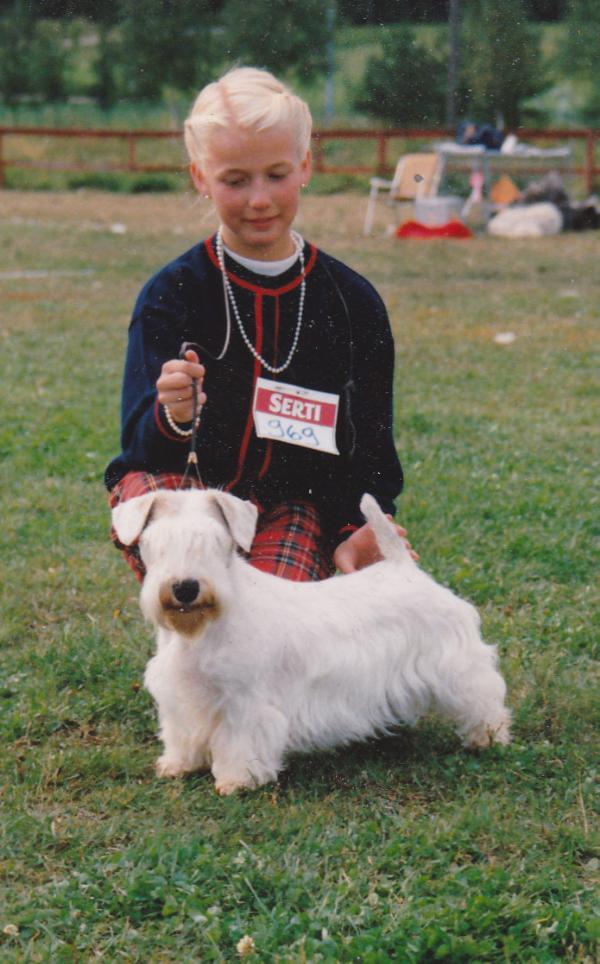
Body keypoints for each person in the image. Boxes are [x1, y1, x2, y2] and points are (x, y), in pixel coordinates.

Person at [105, 66, 406, 583]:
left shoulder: (353, 302)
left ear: (305, 166)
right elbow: (137, 451)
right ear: (201, 178)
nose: (259, 199)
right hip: (185, 490)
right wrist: (173, 415)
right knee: (203, 595)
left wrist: (361, 525)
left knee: (270, 622)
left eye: (276, 174)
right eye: (235, 181)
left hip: (292, 505)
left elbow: (372, 449)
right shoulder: (171, 293)